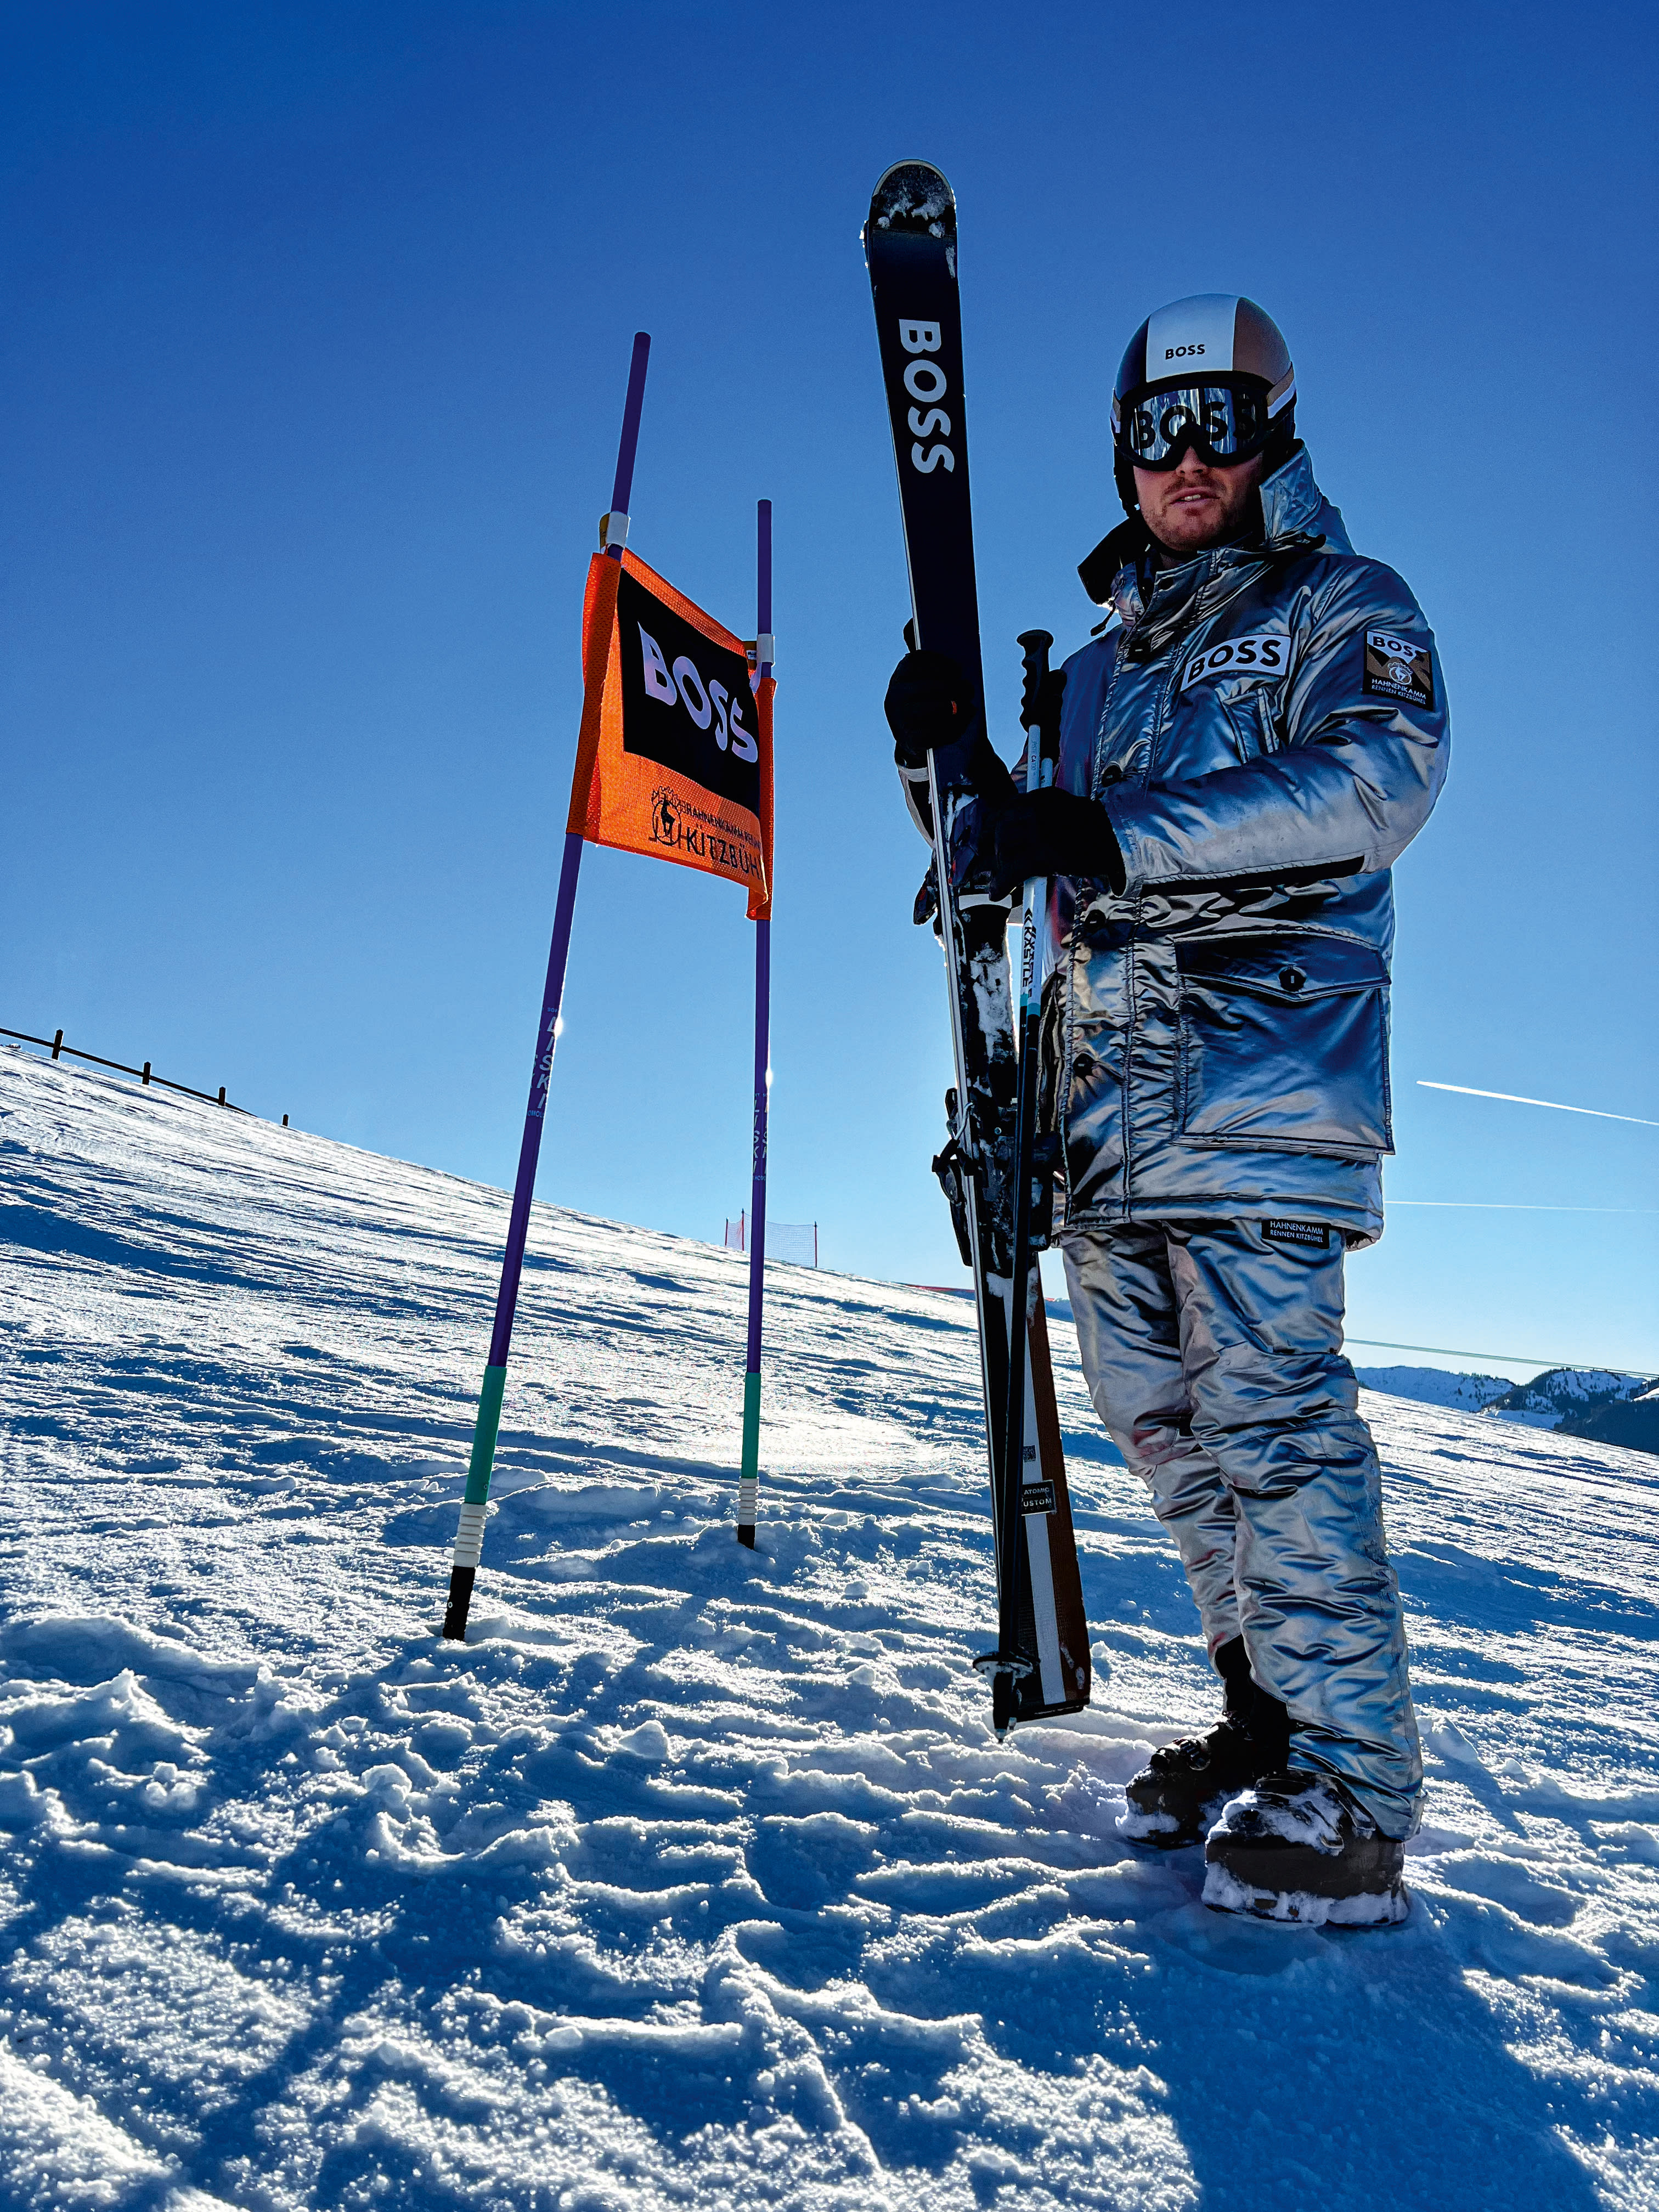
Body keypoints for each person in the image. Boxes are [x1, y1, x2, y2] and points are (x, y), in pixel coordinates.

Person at [883, 295, 1448, 1925]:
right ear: (1124, 455)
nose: (1187, 460)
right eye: (1156, 433)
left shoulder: (1344, 603)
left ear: (1276, 434)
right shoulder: (1102, 670)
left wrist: (1112, 835)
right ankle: (1271, 1721)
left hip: (1262, 1084)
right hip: (1105, 1116)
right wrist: (943, 770)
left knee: (1275, 1426)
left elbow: (1376, 783)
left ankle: (1358, 1789)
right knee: (1168, 1433)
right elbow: (1010, 862)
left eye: (1219, 427)